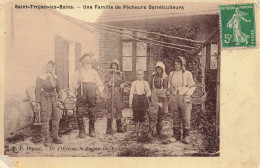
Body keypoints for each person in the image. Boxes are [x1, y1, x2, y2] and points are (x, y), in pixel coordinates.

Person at [71, 53, 105, 138]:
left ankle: (91, 130)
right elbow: (73, 84)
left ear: (91, 62)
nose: (87, 62)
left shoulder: (94, 72)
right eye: (85, 60)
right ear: (82, 62)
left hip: (92, 93)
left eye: (89, 60)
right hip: (82, 94)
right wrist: (78, 81)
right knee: (79, 112)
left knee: (92, 112)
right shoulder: (78, 72)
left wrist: (100, 91)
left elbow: (99, 83)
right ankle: (81, 131)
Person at [168, 56, 196, 144]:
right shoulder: (171, 74)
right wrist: (170, 89)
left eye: (178, 64)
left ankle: (186, 136)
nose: (176, 65)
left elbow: (192, 86)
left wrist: (188, 93)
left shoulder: (188, 73)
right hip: (174, 96)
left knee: (186, 116)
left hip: (184, 96)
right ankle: (176, 136)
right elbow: (169, 84)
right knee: (176, 116)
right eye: (175, 64)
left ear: (182, 64)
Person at [35, 60, 62, 147]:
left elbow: (59, 89)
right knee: (46, 118)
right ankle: (47, 139)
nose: (49, 69)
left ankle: (55, 136)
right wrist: (37, 102)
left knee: (56, 116)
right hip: (45, 98)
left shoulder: (55, 77)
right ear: (45, 67)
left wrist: (60, 99)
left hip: (54, 98)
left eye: (51, 67)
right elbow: (37, 90)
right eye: (48, 67)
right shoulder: (40, 77)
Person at [104, 58, 128, 134]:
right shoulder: (109, 74)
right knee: (109, 110)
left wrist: (123, 84)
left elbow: (126, 82)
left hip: (118, 93)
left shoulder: (121, 74)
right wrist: (109, 84)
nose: (114, 66)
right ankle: (109, 127)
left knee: (118, 109)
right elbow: (105, 83)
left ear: (118, 66)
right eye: (112, 65)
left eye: (115, 65)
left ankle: (119, 126)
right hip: (111, 93)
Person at [149, 61, 169, 137]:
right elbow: (150, 86)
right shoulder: (152, 77)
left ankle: (159, 131)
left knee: (161, 113)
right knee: (153, 113)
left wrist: (166, 94)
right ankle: (151, 131)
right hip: (154, 94)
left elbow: (168, 87)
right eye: (157, 69)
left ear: (163, 69)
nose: (158, 71)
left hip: (163, 95)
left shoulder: (166, 77)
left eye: (160, 69)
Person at [129, 70, 151, 136]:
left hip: (143, 99)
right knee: (136, 115)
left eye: (141, 74)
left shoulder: (145, 83)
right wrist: (130, 102)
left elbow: (149, 91)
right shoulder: (134, 83)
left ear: (143, 75)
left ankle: (140, 131)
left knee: (142, 115)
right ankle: (136, 131)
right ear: (136, 75)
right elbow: (131, 93)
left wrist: (146, 95)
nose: (140, 76)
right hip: (136, 99)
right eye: (139, 74)